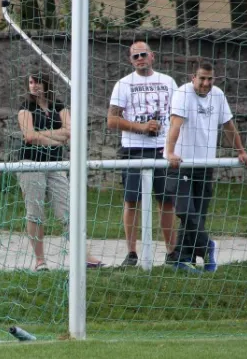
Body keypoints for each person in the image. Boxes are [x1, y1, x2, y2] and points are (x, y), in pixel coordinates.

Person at [165, 61, 247, 272]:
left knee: (198, 215)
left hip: (206, 165)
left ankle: (183, 259)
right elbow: (175, 124)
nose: (205, 83)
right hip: (181, 164)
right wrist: (169, 151)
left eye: (209, 79)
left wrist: (241, 150)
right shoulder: (182, 93)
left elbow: (229, 126)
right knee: (186, 212)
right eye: (201, 78)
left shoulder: (218, 95)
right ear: (192, 77)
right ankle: (208, 246)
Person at [17, 72, 104, 271]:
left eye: (38, 82)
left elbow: (71, 132)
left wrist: (44, 136)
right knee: (35, 211)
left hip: (56, 164)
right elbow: (29, 136)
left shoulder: (59, 106)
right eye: (31, 82)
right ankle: (40, 260)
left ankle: (84, 255)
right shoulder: (25, 108)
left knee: (67, 209)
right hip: (31, 162)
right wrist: (57, 138)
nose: (34, 86)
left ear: (46, 84)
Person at [107, 41, 178, 267]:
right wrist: (142, 127)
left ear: (152, 56)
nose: (140, 58)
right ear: (130, 60)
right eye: (135, 56)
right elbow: (112, 119)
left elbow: (178, 115)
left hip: (162, 149)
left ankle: (172, 252)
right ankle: (131, 253)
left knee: (166, 202)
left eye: (143, 54)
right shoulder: (123, 84)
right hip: (133, 149)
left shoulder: (168, 82)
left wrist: (174, 145)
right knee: (131, 200)